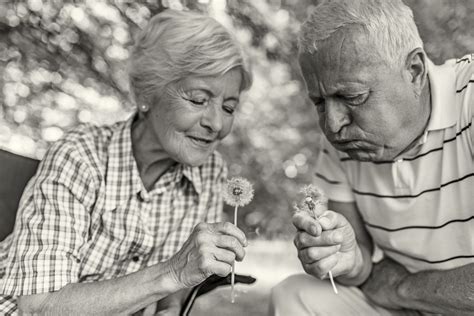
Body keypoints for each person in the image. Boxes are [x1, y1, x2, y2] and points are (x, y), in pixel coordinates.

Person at [0, 9, 252, 315]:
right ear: (147, 93)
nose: (216, 123)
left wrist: (170, 305)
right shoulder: (80, 155)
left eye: (228, 107)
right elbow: (39, 307)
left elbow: (175, 290)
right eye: (198, 100)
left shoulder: (210, 172)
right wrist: (170, 273)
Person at [270, 0, 473, 315]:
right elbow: (360, 265)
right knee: (295, 294)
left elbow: (385, 285)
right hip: (407, 304)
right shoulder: (345, 138)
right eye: (319, 102)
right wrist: (345, 259)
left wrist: (400, 288)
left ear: (414, 71)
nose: (333, 124)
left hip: (421, 297)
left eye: (352, 97)